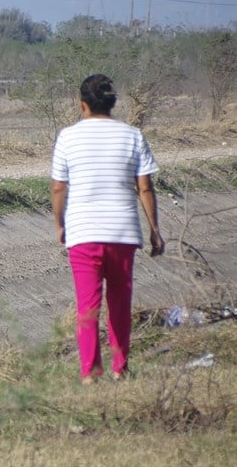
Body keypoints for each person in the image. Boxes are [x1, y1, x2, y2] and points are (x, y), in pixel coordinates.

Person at [50, 73, 165, 385]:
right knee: (119, 303)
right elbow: (145, 188)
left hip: (83, 233)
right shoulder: (133, 135)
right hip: (123, 233)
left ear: (82, 104)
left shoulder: (67, 137)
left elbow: (59, 188)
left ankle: (89, 373)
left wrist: (60, 224)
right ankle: (121, 368)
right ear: (113, 103)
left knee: (87, 306)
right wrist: (155, 229)